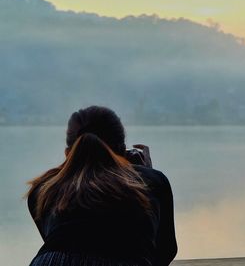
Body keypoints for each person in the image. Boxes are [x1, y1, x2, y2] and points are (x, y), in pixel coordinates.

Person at [25, 106, 177, 266]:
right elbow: (164, 252)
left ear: (67, 153)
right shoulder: (151, 181)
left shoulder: (42, 189)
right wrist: (145, 173)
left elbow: (57, 241)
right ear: (122, 150)